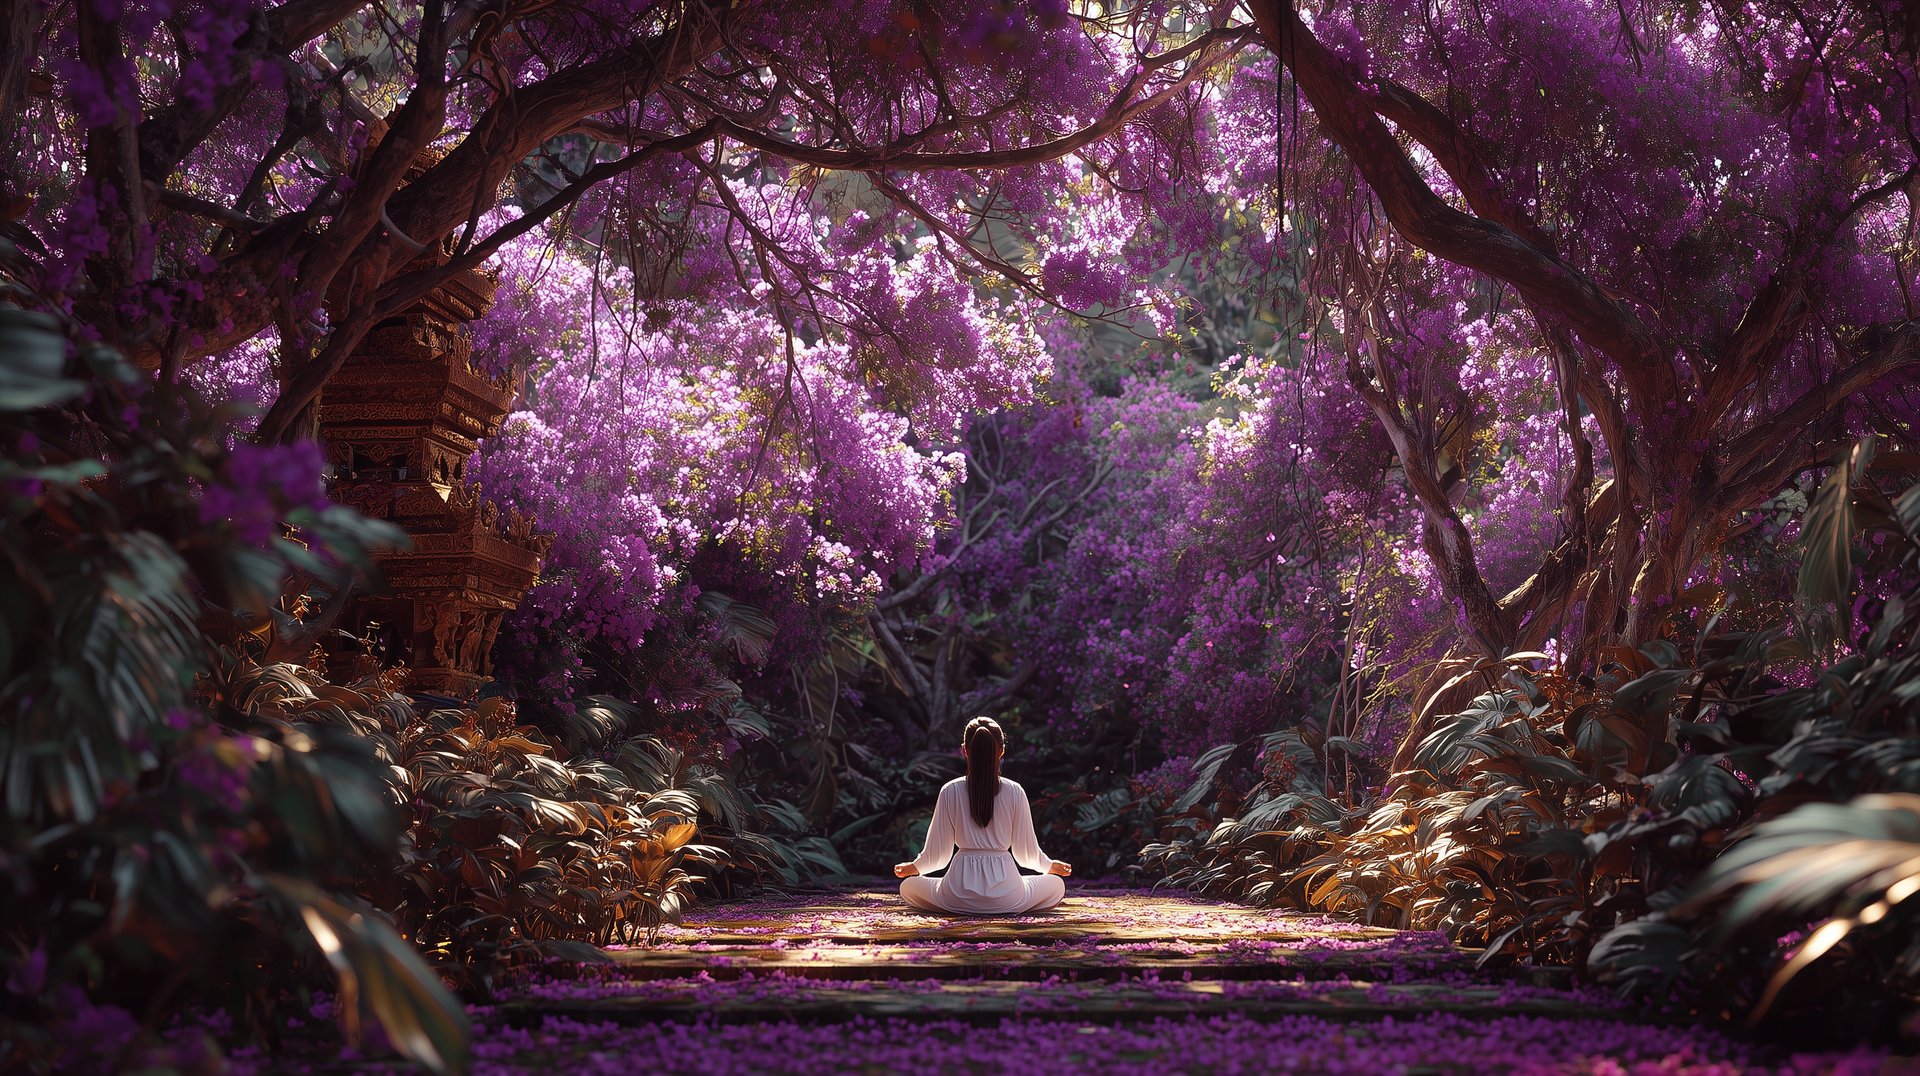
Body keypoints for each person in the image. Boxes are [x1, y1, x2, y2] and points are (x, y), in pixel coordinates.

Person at [894, 716, 1071, 915]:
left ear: (965, 750)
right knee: (1056, 884)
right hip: (1008, 898)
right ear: (1001, 751)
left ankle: (962, 906)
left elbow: (938, 856)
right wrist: (1049, 866)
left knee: (908, 887)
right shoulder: (1015, 791)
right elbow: (1025, 854)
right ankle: (1000, 905)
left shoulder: (949, 791)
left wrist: (914, 868)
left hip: (956, 896)